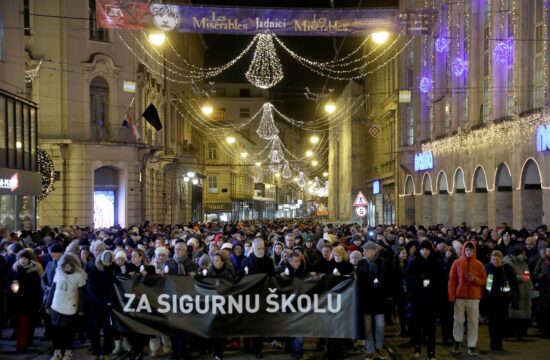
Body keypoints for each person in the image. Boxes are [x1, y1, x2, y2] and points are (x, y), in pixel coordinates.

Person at [404, 240, 444, 360]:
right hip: (417, 299)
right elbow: (407, 277)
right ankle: (417, 347)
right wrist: (419, 278)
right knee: (418, 326)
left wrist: (431, 280)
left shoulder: (435, 262)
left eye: (427, 249)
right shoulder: (414, 261)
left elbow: (441, 279)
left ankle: (431, 352)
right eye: (422, 249)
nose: (424, 251)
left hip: (431, 300)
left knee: (431, 327)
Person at [45, 253, 87, 360]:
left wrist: (82, 309)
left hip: (70, 307)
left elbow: (82, 294)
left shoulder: (79, 276)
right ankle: (57, 351)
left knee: (69, 331)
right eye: (65, 266)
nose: (67, 268)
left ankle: (68, 351)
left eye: (69, 266)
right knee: (56, 330)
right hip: (56, 306)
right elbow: (53, 290)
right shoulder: (58, 273)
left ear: (74, 265)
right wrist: (48, 305)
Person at [448, 241, 486, 356]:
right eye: (467, 250)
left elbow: (484, 280)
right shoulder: (457, 263)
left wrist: (475, 279)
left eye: (471, 250)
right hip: (460, 297)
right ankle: (457, 341)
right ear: (464, 250)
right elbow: (452, 280)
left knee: (473, 322)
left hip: (474, 297)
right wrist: (451, 296)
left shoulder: (479, 264)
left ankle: (472, 345)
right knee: (458, 320)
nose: (469, 252)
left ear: (474, 251)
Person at [239, 238, 275, 358]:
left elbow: (273, 277)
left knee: (259, 324)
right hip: (249, 297)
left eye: (262, 248)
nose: (261, 251)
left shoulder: (269, 261)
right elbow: (239, 276)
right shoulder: (247, 261)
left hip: (263, 296)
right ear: (253, 249)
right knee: (248, 323)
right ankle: (247, 346)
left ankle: (258, 348)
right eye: (258, 249)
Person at [356, 241, 389, 360]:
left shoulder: (381, 262)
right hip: (366, 300)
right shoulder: (361, 263)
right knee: (368, 327)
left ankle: (379, 347)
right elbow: (359, 280)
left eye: (366, 250)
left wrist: (380, 284)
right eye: (363, 250)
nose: (364, 252)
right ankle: (369, 349)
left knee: (380, 325)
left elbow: (385, 278)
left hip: (379, 299)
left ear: (374, 251)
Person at [9, 249, 43, 352]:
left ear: (29, 260)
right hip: (16, 301)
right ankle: (23, 341)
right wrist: (11, 287)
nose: (23, 261)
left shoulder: (33, 272)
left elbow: (37, 289)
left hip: (28, 302)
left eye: (25, 259)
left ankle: (23, 344)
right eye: (21, 258)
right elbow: (9, 282)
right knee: (18, 323)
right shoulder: (15, 270)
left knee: (25, 323)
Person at [87, 250, 115, 359]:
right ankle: (96, 352)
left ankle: (107, 352)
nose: (108, 264)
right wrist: (99, 300)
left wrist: (110, 299)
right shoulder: (94, 268)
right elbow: (90, 287)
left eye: (110, 262)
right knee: (95, 329)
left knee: (108, 329)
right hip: (95, 304)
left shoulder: (112, 267)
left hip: (108, 303)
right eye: (106, 262)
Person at [503, 244, 534, 340]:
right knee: (514, 314)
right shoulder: (507, 263)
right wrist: (523, 278)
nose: (525, 256)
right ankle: (511, 334)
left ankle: (521, 333)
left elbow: (527, 275)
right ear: (516, 254)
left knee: (523, 313)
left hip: (525, 290)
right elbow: (510, 278)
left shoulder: (523, 263)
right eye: (523, 254)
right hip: (516, 292)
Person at [484, 250, 513, 350]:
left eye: (497, 259)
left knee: (501, 322)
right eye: (493, 259)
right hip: (491, 300)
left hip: (503, 300)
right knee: (492, 323)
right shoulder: (487, 268)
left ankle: (499, 342)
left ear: (501, 259)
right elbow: (487, 285)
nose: (495, 261)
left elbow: (511, 283)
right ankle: (493, 342)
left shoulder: (506, 269)